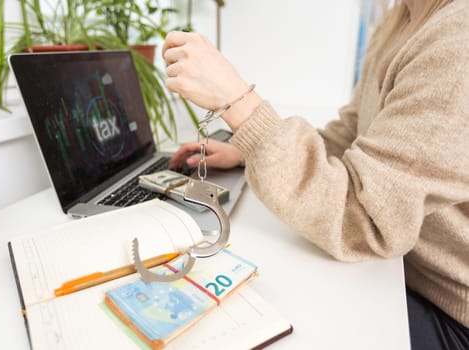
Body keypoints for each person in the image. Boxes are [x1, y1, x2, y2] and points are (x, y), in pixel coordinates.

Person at [161, 0, 469, 349]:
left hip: (449, 313)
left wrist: (238, 103)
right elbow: (352, 135)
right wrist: (248, 147)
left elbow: (361, 220)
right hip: (402, 273)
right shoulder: (401, 19)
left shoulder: (460, 40)